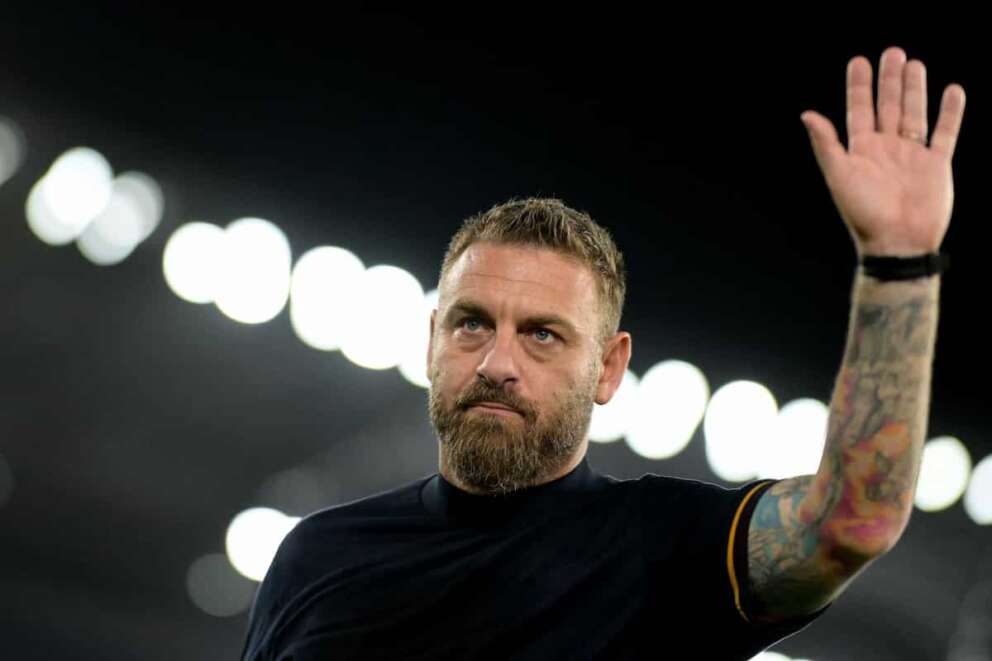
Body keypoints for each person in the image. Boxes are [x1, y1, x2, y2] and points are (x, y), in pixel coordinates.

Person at [240, 46, 966, 660]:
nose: (497, 361)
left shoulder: (664, 548)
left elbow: (850, 522)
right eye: (470, 324)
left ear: (611, 368)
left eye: (543, 334)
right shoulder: (315, 555)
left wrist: (898, 265)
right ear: (432, 340)